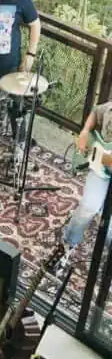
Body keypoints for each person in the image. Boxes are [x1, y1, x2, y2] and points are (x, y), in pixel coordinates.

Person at [60, 101, 112, 267]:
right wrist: (84, 131)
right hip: (100, 169)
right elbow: (96, 112)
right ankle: (68, 243)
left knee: (110, 232)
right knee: (88, 207)